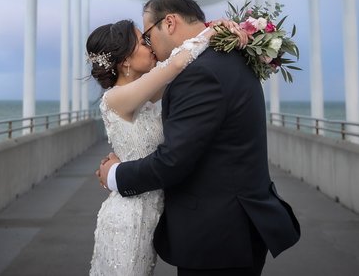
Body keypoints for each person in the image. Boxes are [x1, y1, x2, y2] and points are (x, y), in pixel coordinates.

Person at [98, 0, 300, 276]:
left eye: (147, 34)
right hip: (231, 230)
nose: (149, 44)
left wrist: (115, 175)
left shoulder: (201, 73)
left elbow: (173, 161)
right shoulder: (227, 58)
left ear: (169, 23)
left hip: (218, 236)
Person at [87, 16, 247, 275]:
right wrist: (207, 32)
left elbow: (184, 74)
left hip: (151, 213)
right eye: (142, 41)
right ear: (125, 59)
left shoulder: (146, 93)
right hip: (129, 218)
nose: (150, 46)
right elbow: (177, 63)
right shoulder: (115, 97)